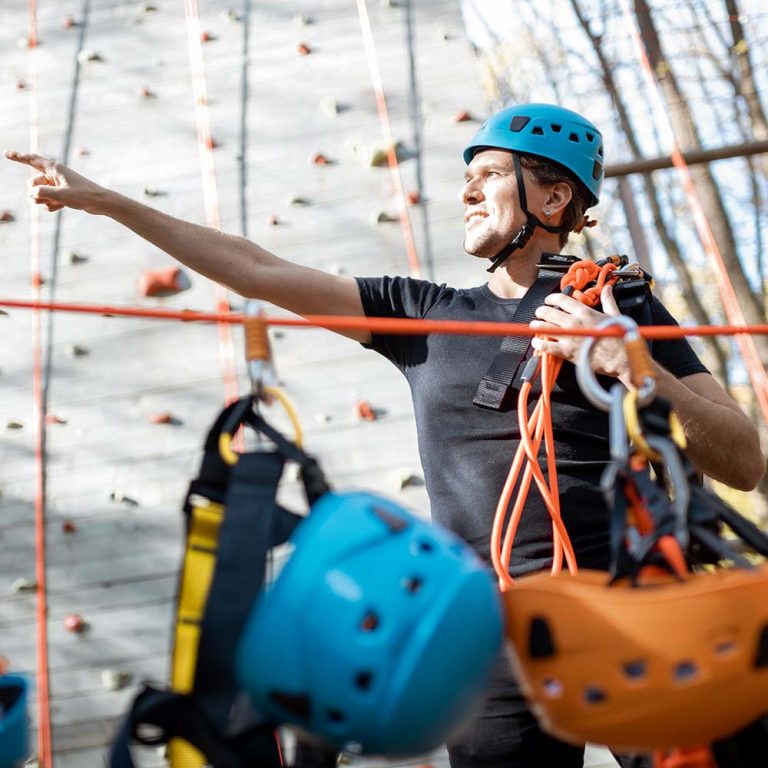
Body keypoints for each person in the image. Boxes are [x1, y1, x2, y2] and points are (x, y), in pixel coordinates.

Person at [5, 102, 764, 768]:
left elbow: (744, 461)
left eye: (490, 174)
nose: (465, 191)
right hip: (486, 635)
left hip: (626, 607)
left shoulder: (619, 307)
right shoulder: (420, 312)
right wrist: (110, 204)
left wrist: (628, 364)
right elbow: (258, 270)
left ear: (555, 194)